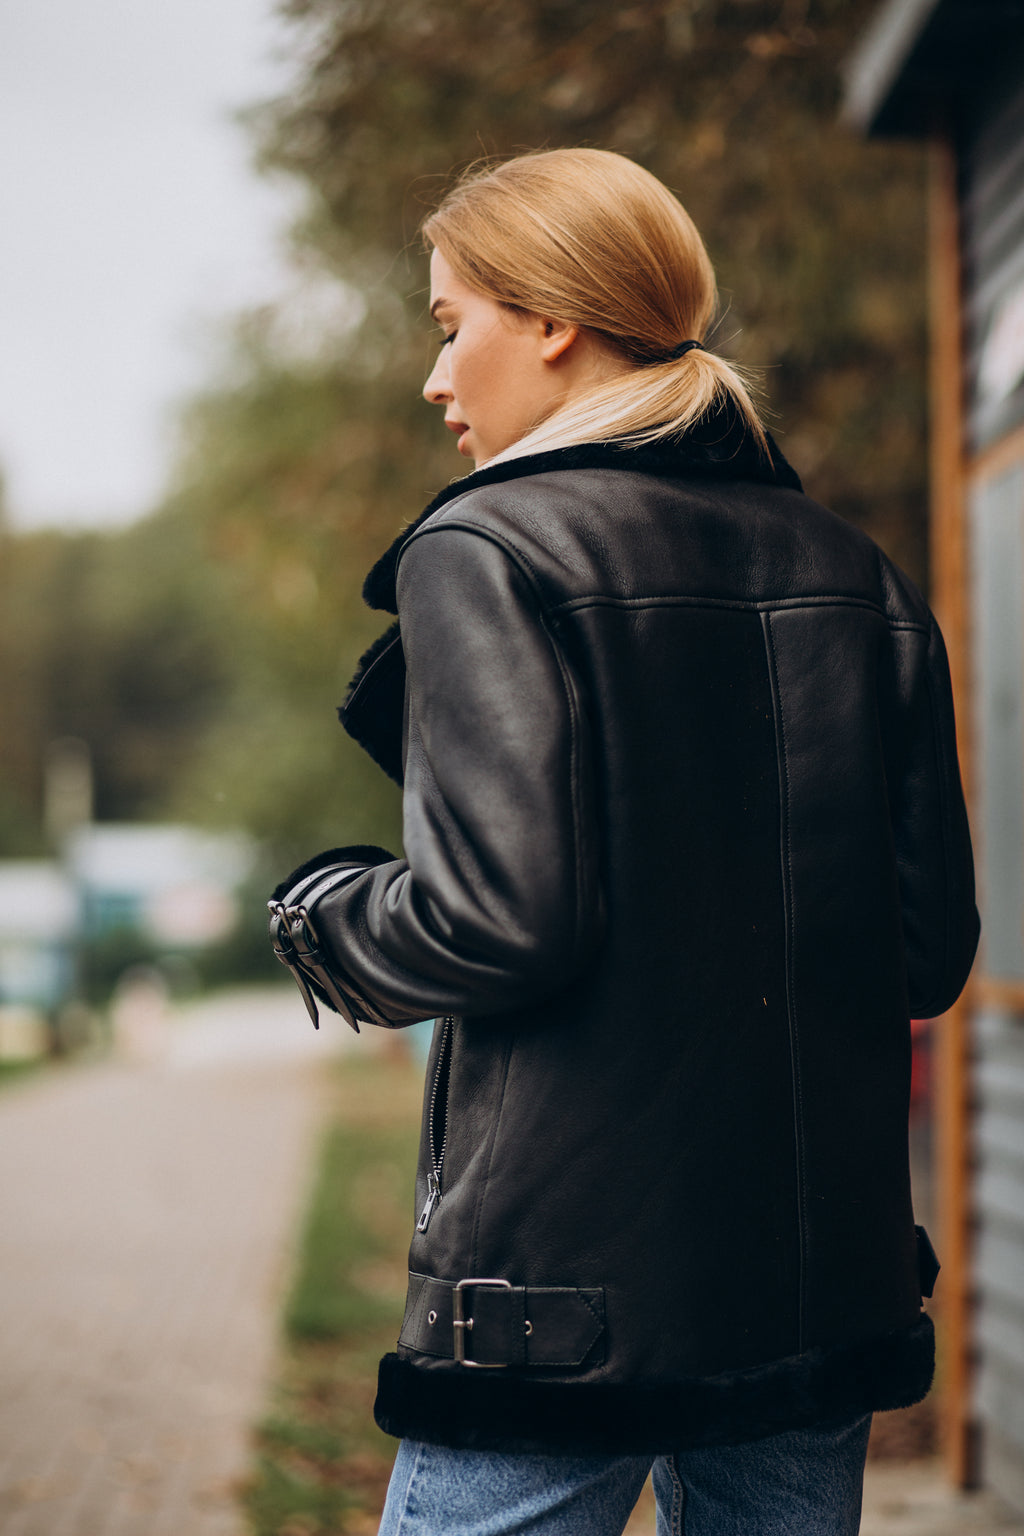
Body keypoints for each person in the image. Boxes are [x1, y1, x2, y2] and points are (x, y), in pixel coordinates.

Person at [269, 149, 979, 1535]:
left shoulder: (486, 550)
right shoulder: (856, 574)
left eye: (449, 325)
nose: (437, 380)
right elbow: (929, 950)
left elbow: (495, 917)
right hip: (814, 1295)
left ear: (550, 320)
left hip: (556, 1318)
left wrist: (321, 910)